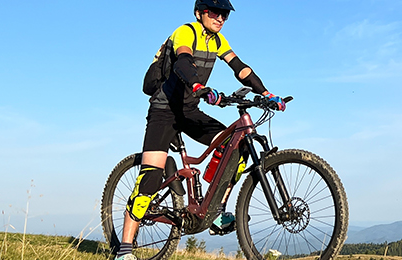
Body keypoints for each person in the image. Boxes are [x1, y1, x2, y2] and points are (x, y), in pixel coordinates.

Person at [118, 0, 285, 259]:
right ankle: (124, 248)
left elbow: (240, 68)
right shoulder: (187, 31)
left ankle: (215, 210)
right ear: (200, 13)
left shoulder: (217, 41)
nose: (220, 18)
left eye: (225, 14)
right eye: (215, 12)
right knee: (151, 177)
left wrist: (265, 92)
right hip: (164, 111)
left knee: (235, 147)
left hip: (189, 111)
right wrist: (198, 87)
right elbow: (183, 61)